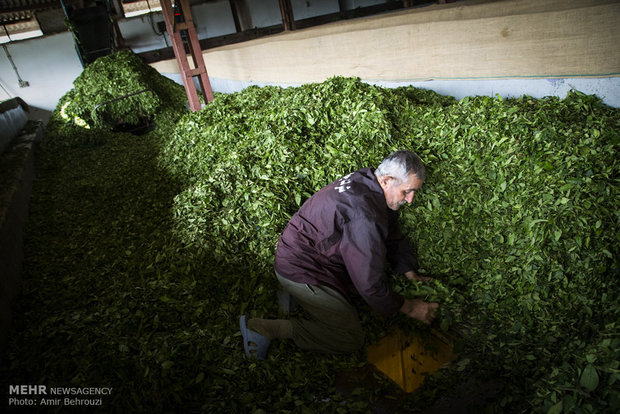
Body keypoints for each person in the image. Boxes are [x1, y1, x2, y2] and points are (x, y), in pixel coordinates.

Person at [240, 150, 438, 359]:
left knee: (358, 292)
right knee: (349, 337)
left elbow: (389, 227)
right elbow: (369, 284)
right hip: (300, 267)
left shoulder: (368, 180)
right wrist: (409, 307)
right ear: (388, 180)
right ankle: (267, 328)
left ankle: (295, 297)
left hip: (303, 252)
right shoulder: (364, 215)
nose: (410, 200)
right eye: (407, 192)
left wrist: (408, 270)